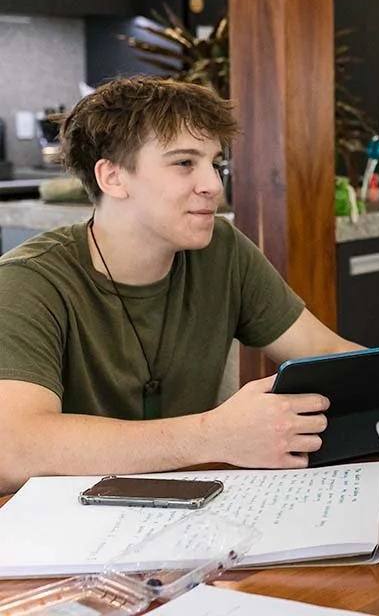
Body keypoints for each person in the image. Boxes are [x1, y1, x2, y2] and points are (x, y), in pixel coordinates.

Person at [0, 76, 360, 493]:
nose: (214, 186)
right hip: (71, 536)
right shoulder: (28, 281)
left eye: (215, 163)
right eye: (185, 163)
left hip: (197, 512)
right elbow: (13, 448)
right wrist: (212, 434)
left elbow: (326, 352)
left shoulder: (221, 249)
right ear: (113, 177)